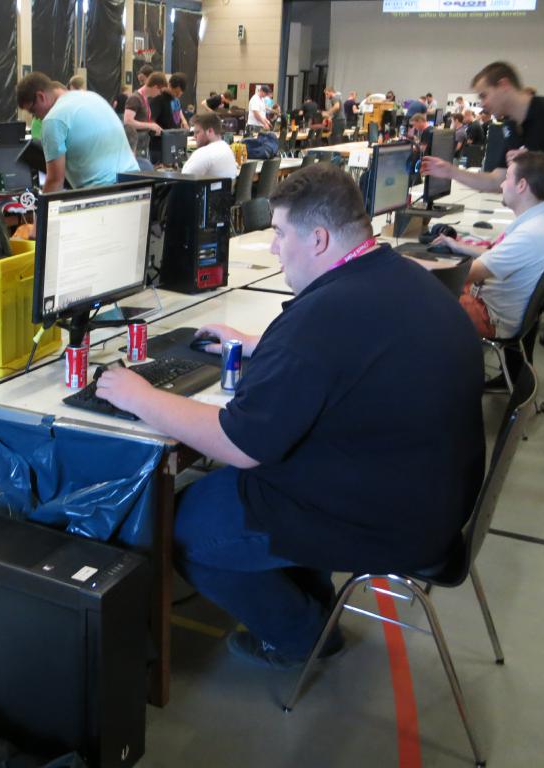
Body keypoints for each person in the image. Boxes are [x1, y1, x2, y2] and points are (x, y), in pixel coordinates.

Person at [94, 164, 485, 668]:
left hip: (384, 518)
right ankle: (312, 601)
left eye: (280, 233)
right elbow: (351, 354)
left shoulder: (322, 318)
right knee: (236, 486)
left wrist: (138, 395)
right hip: (426, 498)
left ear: (318, 239)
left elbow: (240, 444)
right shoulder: (402, 276)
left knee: (178, 525)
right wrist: (261, 346)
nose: (275, 248)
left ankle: (302, 636)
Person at [423, 61, 544, 413]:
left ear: (504, 85)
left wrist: (539, 162)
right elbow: (497, 179)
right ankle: (515, 374)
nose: (482, 103)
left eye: (484, 94)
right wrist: (451, 171)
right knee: (532, 296)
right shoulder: (512, 128)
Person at [432, 151, 544, 339]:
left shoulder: (529, 234)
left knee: (418, 294)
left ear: (521, 185)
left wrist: (408, 262)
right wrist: (457, 246)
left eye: (507, 178)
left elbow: (461, 276)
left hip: (489, 316)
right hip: (501, 307)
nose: (502, 184)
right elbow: (497, 254)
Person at [16, 71, 138, 193]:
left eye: (33, 111)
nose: (36, 118)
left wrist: (41, 205)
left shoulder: (53, 119)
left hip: (103, 194)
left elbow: (55, 181)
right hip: (136, 183)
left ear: (41, 97)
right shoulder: (93, 97)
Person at [181, 112, 237, 179]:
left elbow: (184, 179)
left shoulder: (204, 153)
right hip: (224, 186)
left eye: (197, 132)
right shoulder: (226, 148)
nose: (194, 136)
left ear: (210, 131)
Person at [124, 71, 166, 154]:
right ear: (155, 87)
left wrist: (153, 127)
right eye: (160, 91)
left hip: (143, 143)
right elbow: (127, 122)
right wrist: (150, 125)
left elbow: (141, 121)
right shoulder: (135, 98)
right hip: (135, 145)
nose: (159, 94)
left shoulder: (145, 99)